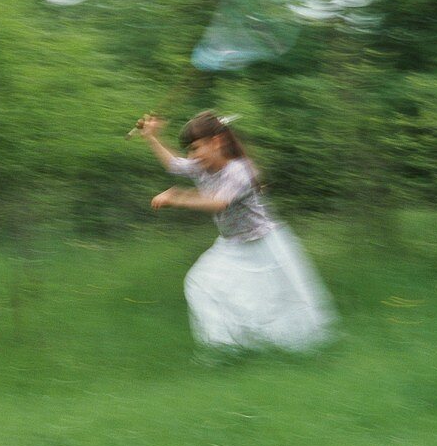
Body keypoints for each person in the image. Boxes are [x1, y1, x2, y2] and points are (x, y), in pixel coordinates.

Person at [136, 110, 335, 356]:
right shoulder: (202, 167)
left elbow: (219, 202)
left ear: (217, 142)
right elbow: (173, 165)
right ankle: (224, 350)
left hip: (263, 245)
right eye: (189, 150)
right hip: (232, 245)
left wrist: (178, 198)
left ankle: (294, 350)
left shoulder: (240, 170)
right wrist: (151, 137)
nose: (192, 156)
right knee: (201, 285)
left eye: (196, 148)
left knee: (275, 303)